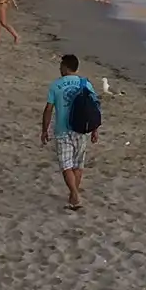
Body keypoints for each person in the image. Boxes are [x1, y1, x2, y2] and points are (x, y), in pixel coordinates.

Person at [40, 54, 99, 211]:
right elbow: (94, 109)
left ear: (66, 67)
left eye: (61, 66)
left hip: (63, 130)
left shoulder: (56, 85)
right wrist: (95, 130)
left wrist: (44, 130)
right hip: (81, 129)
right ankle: (74, 197)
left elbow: (48, 110)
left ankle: (74, 194)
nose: (59, 68)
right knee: (78, 165)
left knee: (66, 165)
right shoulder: (85, 83)